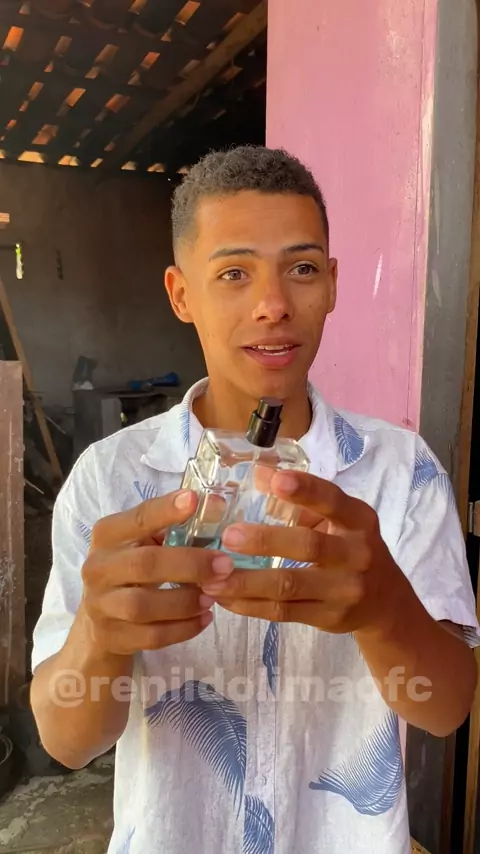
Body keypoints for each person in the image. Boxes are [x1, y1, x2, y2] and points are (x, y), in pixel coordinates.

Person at [31, 146, 479, 854]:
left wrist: (385, 608)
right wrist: (98, 634)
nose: (274, 305)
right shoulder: (109, 479)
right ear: (182, 294)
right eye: (234, 273)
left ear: (332, 284)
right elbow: (67, 741)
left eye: (302, 269)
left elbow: (446, 709)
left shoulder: (400, 473)